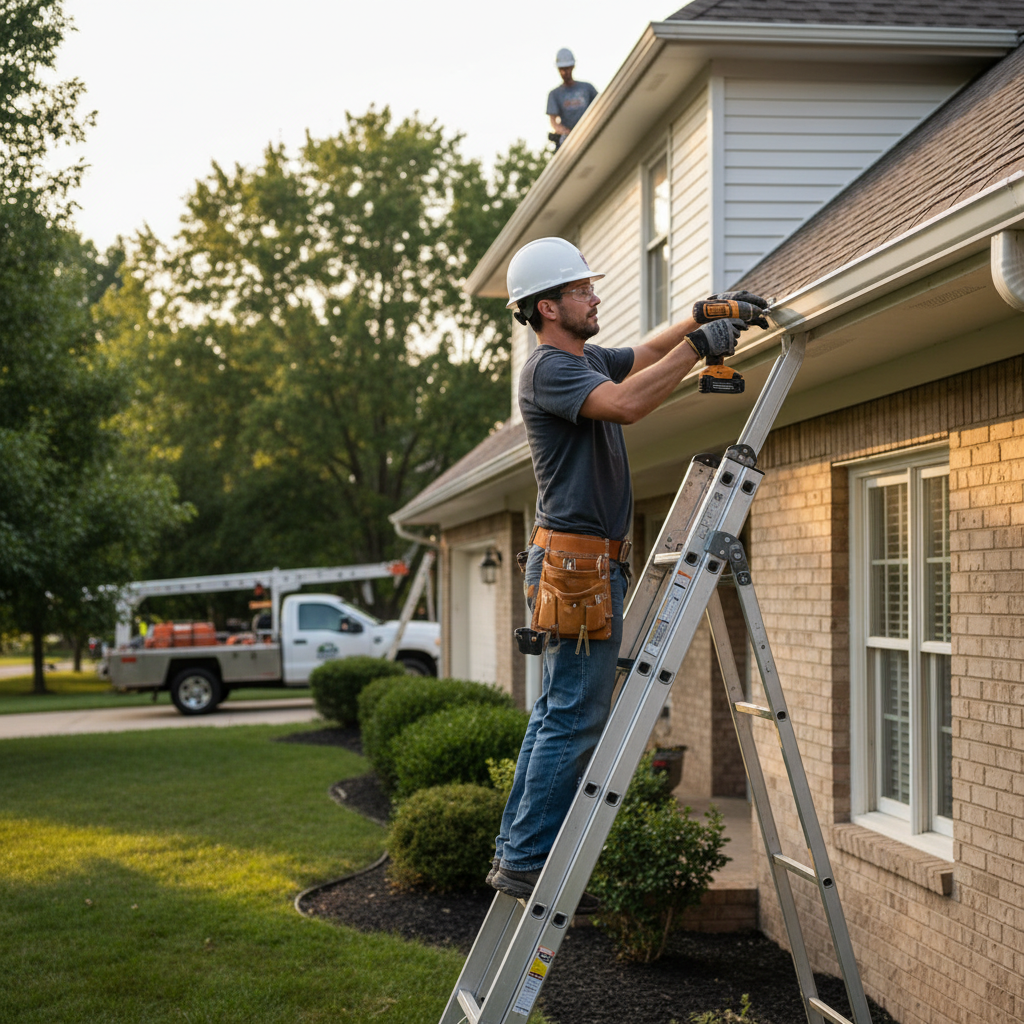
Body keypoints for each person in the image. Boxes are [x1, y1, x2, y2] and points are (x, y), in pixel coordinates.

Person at [489, 236, 769, 905]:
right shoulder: (551, 371)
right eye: (582, 290)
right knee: (575, 718)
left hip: (580, 563)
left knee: (557, 712)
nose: (595, 296)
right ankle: (528, 858)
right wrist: (701, 348)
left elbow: (642, 359)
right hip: (578, 568)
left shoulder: (581, 360)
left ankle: (517, 851)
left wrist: (699, 316)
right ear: (549, 307)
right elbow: (629, 402)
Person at [547, 48, 597, 149]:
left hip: (589, 135)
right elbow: (553, 121)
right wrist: (565, 132)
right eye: (562, 69)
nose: (565, 72)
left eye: (567, 68)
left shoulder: (587, 88)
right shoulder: (555, 94)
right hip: (569, 142)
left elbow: (600, 107)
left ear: (573, 67)